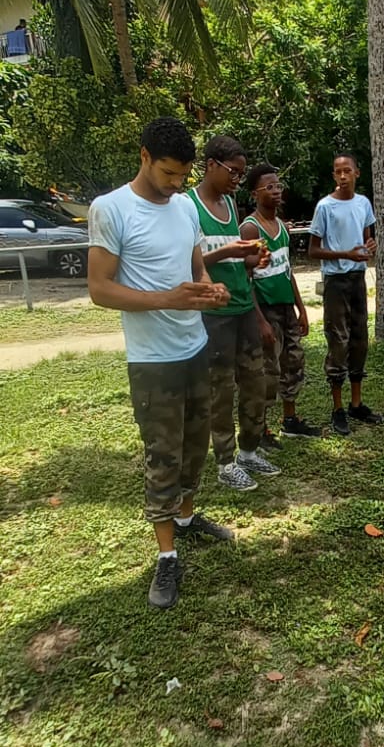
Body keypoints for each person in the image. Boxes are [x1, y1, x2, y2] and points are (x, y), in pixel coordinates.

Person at [88, 117, 235, 612]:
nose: (176, 184)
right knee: (163, 456)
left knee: (195, 446)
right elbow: (99, 289)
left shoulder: (185, 208)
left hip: (195, 347)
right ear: (145, 157)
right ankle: (166, 556)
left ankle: (187, 520)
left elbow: (195, 269)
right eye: (169, 173)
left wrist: (209, 290)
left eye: (183, 176)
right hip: (153, 361)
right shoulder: (111, 209)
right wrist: (167, 299)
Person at [188, 135, 282, 492]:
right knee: (221, 390)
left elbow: (238, 260)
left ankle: (249, 451)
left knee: (255, 382)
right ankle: (226, 462)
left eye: (242, 174)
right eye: (233, 172)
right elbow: (188, 260)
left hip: (243, 306)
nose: (238, 180)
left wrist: (251, 259)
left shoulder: (230, 203)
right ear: (211, 165)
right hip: (215, 313)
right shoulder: (188, 206)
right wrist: (227, 251)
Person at [241, 164, 321, 443]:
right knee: (268, 370)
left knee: (293, 362)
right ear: (255, 194)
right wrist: (260, 320)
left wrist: (301, 308)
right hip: (266, 309)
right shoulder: (250, 229)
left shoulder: (282, 228)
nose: (276, 191)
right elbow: (245, 278)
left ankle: (290, 419)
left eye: (278, 186)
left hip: (287, 308)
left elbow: (288, 271)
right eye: (269, 187)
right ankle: (260, 429)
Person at [308, 154, 382, 437]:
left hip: (357, 279)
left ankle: (356, 403)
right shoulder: (325, 207)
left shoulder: (363, 203)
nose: (342, 176)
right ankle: (337, 408)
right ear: (333, 175)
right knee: (338, 340)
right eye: (337, 171)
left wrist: (369, 247)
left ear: (356, 173)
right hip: (335, 282)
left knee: (359, 338)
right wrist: (345, 254)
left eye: (347, 171)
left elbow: (366, 239)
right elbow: (313, 250)